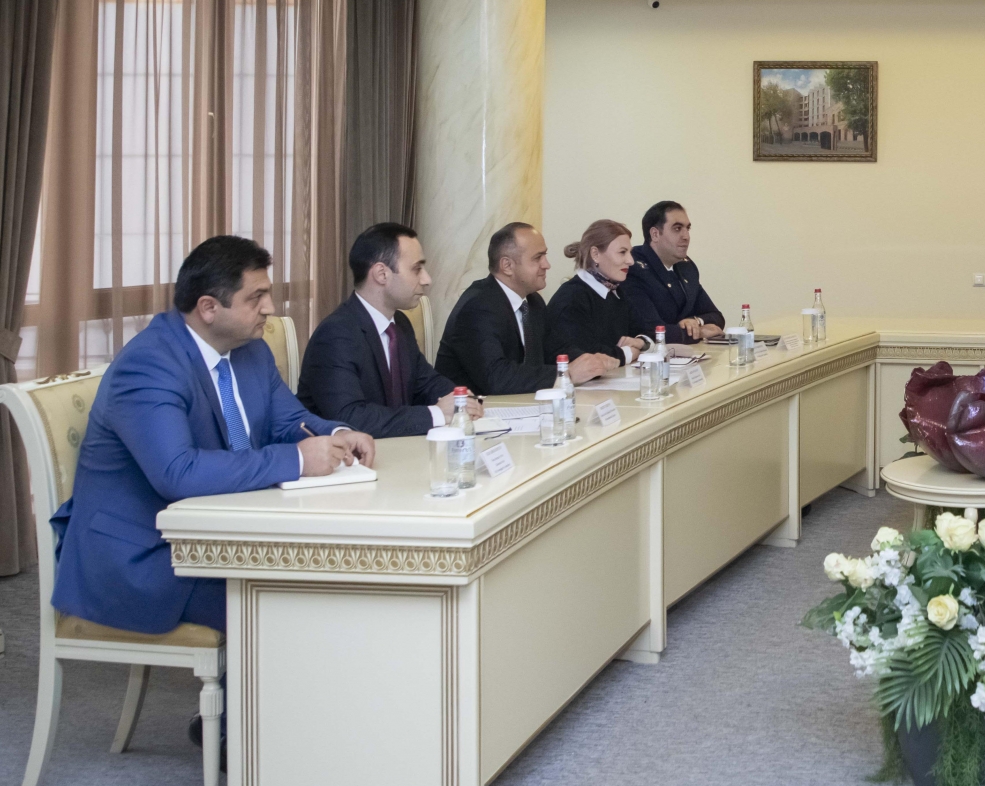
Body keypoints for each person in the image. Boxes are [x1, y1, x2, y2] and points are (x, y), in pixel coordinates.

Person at [50, 236, 373, 638]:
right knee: (298, 606)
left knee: (337, 581)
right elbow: (178, 472)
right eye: (256, 297)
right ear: (208, 308)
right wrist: (299, 459)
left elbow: (290, 420)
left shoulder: (250, 349)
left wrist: (338, 433)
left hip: (220, 535)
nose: (270, 308)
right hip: (146, 557)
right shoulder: (150, 364)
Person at [298, 223, 480, 438]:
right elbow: (351, 418)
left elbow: (426, 383)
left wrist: (461, 401)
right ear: (382, 274)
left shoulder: (399, 324)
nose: (427, 280)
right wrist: (437, 414)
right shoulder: (336, 335)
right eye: (416, 269)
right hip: (348, 455)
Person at [436, 222, 620, 395]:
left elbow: (554, 350)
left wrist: (591, 361)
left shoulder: (532, 301)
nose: (547, 265)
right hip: (471, 410)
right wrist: (566, 374)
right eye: (538, 258)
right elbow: (496, 377)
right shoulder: (478, 307)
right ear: (507, 266)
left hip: (520, 404)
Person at [547, 218, 655, 364]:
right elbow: (583, 356)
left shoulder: (616, 292)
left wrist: (641, 342)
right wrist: (629, 353)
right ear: (595, 254)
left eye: (629, 252)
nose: (631, 261)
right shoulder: (571, 298)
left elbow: (649, 331)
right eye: (622, 252)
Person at [625, 201, 724, 345]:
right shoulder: (633, 268)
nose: (686, 236)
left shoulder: (686, 267)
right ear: (655, 234)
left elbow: (716, 317)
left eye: (687, 228)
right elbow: (653, 332)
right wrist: (700, 332)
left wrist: (695, 321)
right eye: (677, 229)